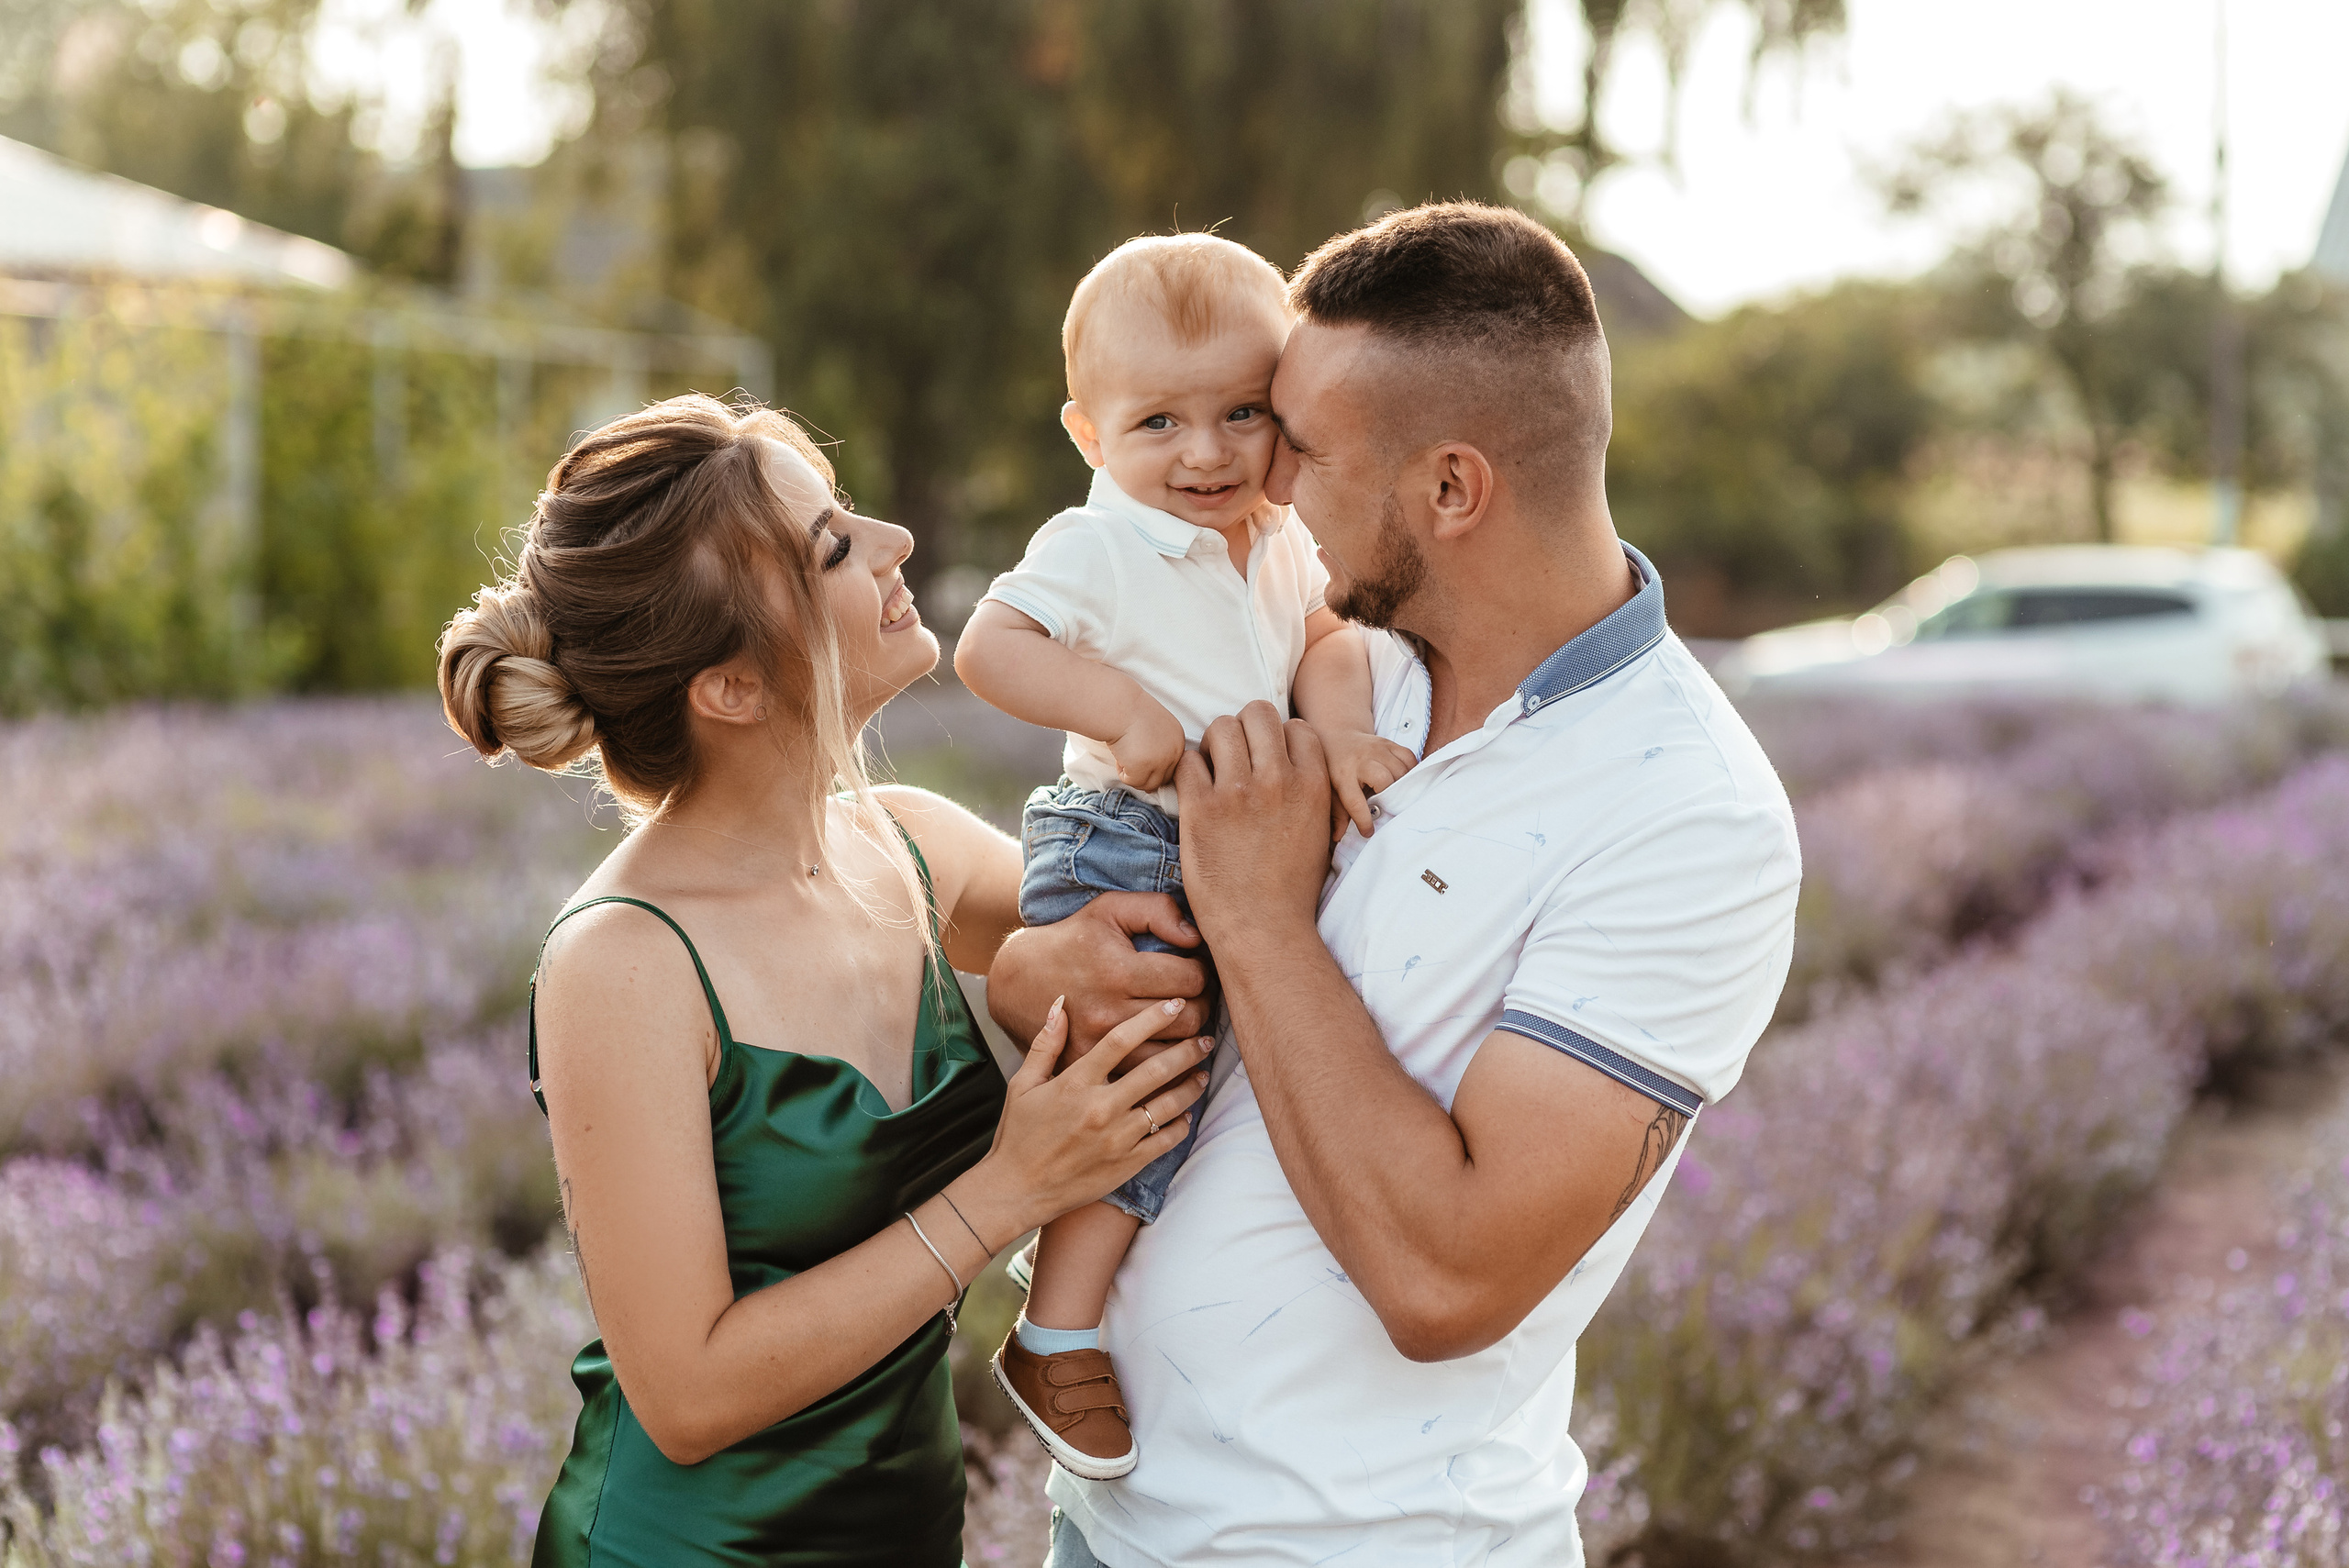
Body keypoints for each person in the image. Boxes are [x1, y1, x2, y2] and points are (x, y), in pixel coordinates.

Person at [985, 203, 1805, 1565]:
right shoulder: (1333, 661)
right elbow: (1078, 897)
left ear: (1451, 491)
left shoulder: (1687, 814)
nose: (1258, 475)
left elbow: (1445, 1280)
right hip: (1113, 1529)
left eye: (1295, 442)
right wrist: (1035, 969)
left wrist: (1254, 915)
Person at [433, 393, 1214, 1568]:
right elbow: (687, 1392)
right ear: (731, 689)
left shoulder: (916, 847)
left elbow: (1149, 938)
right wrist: (1012, 1186)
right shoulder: (623, 962)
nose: (896, 544)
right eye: (834, 548)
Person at [953, 232, 1413, 1481]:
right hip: (1125, 835)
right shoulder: (1095, 544)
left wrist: (1339, 735)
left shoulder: (1280, 534)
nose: (1205, 452)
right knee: (1148, 1081)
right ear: (1089, 434)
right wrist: (1116, 707)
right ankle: (1054, 1330)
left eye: (1240, 413)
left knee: (1222, 1073)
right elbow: (990, 649)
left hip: (1233, 827)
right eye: (1158, 421)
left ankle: (1131, 1298)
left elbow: (1325, 637)